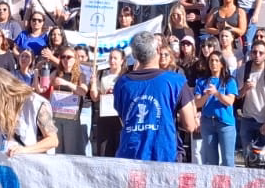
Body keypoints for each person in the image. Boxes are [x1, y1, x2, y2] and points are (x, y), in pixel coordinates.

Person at [114, 30, 197, 162]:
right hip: (164, 154)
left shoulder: (122, 83)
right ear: (158, 50)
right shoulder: (175, 81)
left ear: (135, 55)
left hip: (130, 155)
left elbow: (124, 120)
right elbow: (189, 125)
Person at [0, 66, 58, 156]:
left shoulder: (36, 103)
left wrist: (24, 150)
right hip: (3, 163)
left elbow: (52, 140)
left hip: (31, 163)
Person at [192, 50, 239, 166]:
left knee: (228, 160)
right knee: (211, 161)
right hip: (208, 122)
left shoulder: (229, 81)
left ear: (222, 63)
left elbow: (230, 101)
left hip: (225, 123)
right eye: (211, 60)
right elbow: (197, 103)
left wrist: (216, 93)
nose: (213, 63)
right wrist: (206, 95)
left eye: (217, 61)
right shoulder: (202, 81)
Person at [237, 39, 265, 155]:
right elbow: (237, 96)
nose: (257, 55)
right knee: (248, 157)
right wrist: (245, 88)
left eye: (261, 53)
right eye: (254, 52)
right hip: (247, 117)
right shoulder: (243, 70)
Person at [47, 45, 91, 155]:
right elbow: (44, 87)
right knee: (58, 150)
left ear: (75, 59)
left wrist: (66, 83)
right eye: (63, 57)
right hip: (57, 116)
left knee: (72, 151)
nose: (66, 60)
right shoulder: (56, 73)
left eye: (69, 57)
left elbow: (83, 91)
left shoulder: (81, 76)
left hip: (72, 118)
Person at [91, 48, 125, 157]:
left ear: (122, 60)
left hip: (120, 117)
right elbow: (95, 98)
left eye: (115, 58)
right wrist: (93, 84)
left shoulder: (126, 77)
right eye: (110, 57)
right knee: (103, 149)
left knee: (119, 148)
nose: (112, 60)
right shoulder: (102, 75)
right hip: (105, 117)